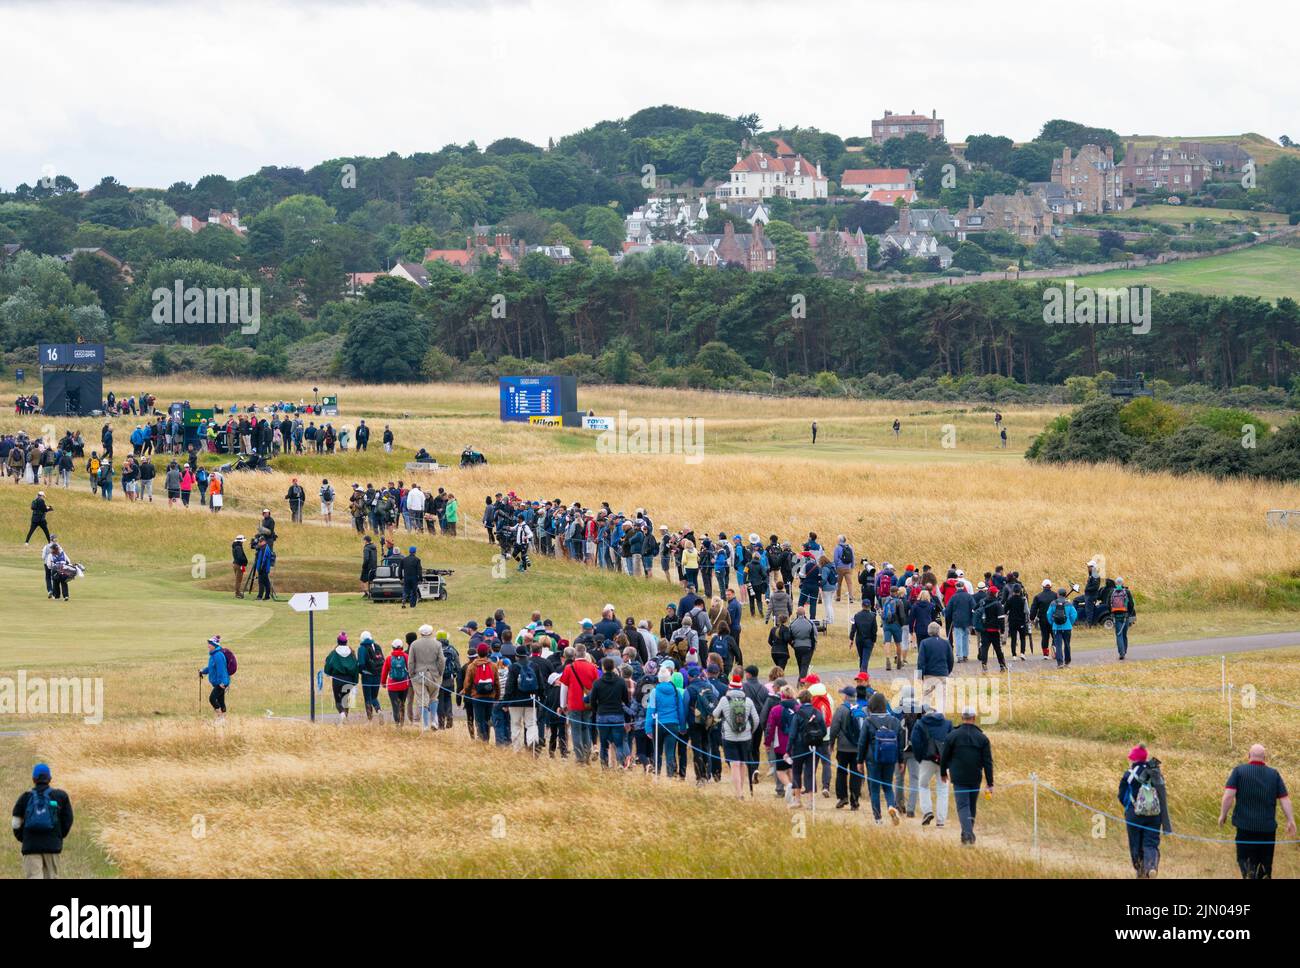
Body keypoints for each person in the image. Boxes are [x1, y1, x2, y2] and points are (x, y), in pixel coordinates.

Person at [1219, 743, 1295, 879]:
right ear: (1265, 757)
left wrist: (1223, 815)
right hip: (1267, 830)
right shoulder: (1274, 774)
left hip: (1245, 828)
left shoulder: (1239, 771)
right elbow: (1284, 799)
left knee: (1246, 864)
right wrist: (1291, 820)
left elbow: (1229, 795)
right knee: (1265, 869)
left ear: (1249, 756)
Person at [941, 707, 994, 845]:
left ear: (962, 718)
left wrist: (943, 772)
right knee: (971, 806)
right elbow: (988, 762)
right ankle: (967, 834)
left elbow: (944, 756)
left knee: (963, 806)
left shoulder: (952, 736)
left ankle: (967, 834)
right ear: (974, 718)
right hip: (975, 776)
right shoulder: (982, 738)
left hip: (958, 777)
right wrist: (990, 782)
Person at [11, 763, 74, 879]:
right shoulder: (61, 796)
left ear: (33, 779)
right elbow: (68, 820)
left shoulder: (25, 797)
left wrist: (23, 837)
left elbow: (15, 823)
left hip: (31, 845)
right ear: (50, 778)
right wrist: (59, 835)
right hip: (52, 845)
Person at [1118, 744, 1171, 878]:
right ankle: (1151, 867)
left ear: (1134, 759)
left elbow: (1121, 795)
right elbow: (1162, 793)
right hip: (1154, 815)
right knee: (1151, 843)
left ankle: (1140, 871)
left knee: (1135, 843)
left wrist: (1129, 808)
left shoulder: (1129, 774)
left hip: (1134, 814)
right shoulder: (1156, 772)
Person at [857, 691, 901, 825]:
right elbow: (900, 742)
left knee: (874, 788)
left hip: (873, 759)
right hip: (890, 758)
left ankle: (878, 818)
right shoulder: (894, 721)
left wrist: (859, 761)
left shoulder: (868, 721)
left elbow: (862, 742)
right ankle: (891, 806)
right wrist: (901, 760)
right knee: (888, 786)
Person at [713, 672, 760, 799]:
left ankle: (738, 793)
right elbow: (756, 720)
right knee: (743, 763)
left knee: (734, 764)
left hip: (729, 736)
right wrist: (751, 731)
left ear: (730, 687)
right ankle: (742, 789)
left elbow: (715, 714)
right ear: (741, 688)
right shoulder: (748, 701)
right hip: (746, 737)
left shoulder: (724, 700)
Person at [913, 705, 953, 828]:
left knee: (923, 785)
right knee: (942, 789)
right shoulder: (947, 724)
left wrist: (920, 758)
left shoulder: (920, 724)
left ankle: (927, 811)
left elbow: (915, 742)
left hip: (926, 759)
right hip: (943, 760)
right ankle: (941, 820)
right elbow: (952, 741)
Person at [828, 684, 867, 810]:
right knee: (856, 773)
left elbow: (834, 728)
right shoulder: (862, 710)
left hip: (843, 747)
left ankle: (842, 797)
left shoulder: (841, 709)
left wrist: (832, 743)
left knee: (841, 772)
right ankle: (854, 800)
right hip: (857, 748)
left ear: (846, 696)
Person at [408, 624, 446, 731]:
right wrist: (440, 673)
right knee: (434, 697)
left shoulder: (414, 644)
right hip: (434, 675)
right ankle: (433, 720)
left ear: (420, 633)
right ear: (431, 632)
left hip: (419, 675)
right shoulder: (437, 644)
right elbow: (441, 661)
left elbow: (411, 662)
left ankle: (425, 725)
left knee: (422, 699)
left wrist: (411, 674)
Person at [323, 633, 359, 722]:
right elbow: (356, 667)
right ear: (346, 641)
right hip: (349, 680)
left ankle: (342, 715)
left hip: (337, 680)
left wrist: (328, 672)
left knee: (338, 701)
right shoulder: (352, 653)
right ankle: (345, 718)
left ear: (337, 641)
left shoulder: (334, 652)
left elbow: (328, 664)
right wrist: (355, 681)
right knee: (345, 700)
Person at [917, 622, 953, 709]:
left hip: (929, 675)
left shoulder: (924, 643)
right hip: (942, 674)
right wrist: (947, 671)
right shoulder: (946, 643)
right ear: (938, 631)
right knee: (941, 699)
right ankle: (941, 719)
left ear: (929, 631)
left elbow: (920, 661)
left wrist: (920, 676)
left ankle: (926, 718)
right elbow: (951, 660)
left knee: (926, 698)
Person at [380, 638, 412, 725]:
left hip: (392, 686)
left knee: (395, 706)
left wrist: (383, 683)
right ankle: (402, 723)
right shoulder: (406, 656)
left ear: (392, 647)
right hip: (404, 685)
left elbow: (384, 672)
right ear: (402, 647)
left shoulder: (389, 658)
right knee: (402, 704)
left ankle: (397, 723)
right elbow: (410, 670)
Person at [199, 636, 230, 720]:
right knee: (221, 701)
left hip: (221, 683)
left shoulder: (218, 656)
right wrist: (203, 671)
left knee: (212, 699)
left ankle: (220, 718)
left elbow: (222, 669)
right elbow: (211, 668)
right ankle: (223, 720)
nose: (208, 646)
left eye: (210, 644)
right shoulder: (213, 655)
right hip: (218, 683)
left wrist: (224, 683)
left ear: (214, 645)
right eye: (208, 644)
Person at [357, 632, 384, 722]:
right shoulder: (377, 646)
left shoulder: (362, 648)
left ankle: (370, 719)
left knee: (367, 697)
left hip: (367, 676)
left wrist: (361, 672)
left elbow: (361, 664)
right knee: (374, 697)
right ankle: (379, 710)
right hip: (377, 675)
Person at [1047, 587, 1077, 668]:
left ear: (1058, 594)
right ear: (1065, 594)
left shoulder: (1053, 603)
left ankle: (1060, 663)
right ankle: (1067, 662)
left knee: (1058, 645)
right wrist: (1070, 623)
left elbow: (1048, 614)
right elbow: (1074, 614)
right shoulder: (1069, 604)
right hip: (1067, 627)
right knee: (1067, 644)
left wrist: (1052, 622)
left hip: (1056, 627)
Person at [1110, 577, 1137, 659]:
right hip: (1125, 616)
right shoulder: (1127, 592)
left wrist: (1112, 613)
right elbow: (1131, 604)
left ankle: (1121, 653)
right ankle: (1124, 651)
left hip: (1116, 617)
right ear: (1123, 583)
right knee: (1124, 634)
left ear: (1115, 583)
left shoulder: (1112, 592)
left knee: (1119, 635)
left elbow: (1109, 604)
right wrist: (1129, 613)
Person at [849, 600, 877, 672]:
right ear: (870, 606)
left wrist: (851, 639)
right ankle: (863, 673)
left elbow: (853, 629)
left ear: (862, 606)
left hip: (859, 640)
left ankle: (861, 673)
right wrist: (874, 640)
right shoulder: (873, 616)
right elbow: (874, 630)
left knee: (862, 657)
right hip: (869, 640)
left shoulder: (857, 615)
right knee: (865, 658)